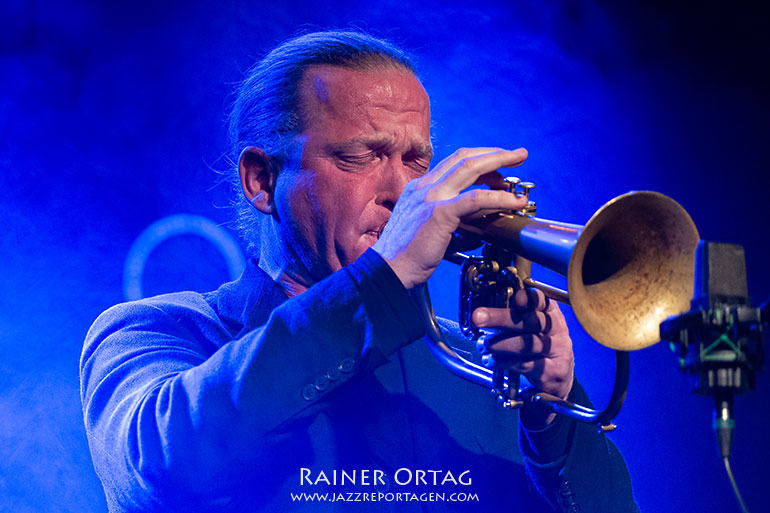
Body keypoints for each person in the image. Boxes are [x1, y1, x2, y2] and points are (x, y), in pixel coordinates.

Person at [80, 30, 638, 512]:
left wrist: (550, 415)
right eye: (359, 157)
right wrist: (379, 281)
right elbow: (163, 469)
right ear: (261, 180)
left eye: (416, 161)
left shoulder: (479, 369)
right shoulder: (162, 333)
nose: (402, 191)